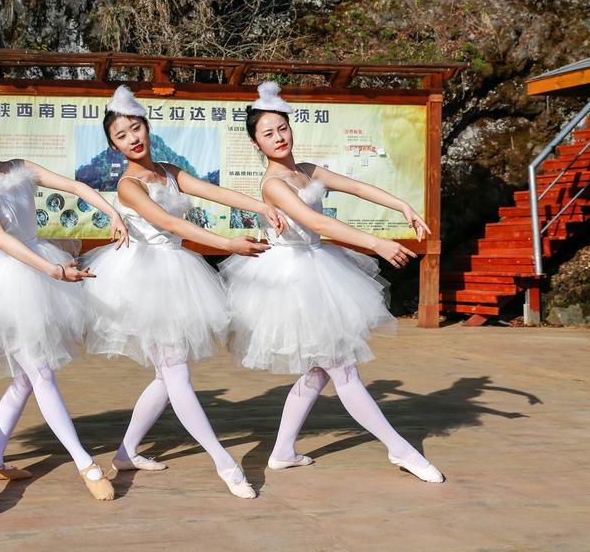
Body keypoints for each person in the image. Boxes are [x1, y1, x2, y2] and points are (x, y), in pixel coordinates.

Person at [220, 82, 444, 483]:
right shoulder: (273, 184)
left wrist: (403, 206)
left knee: (320, 371)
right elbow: (315, 222)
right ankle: (400, 449)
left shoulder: (307, 170)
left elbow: (355, 186)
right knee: (342, 368)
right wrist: (376, 242)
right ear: (256, 143)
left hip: (318, 266)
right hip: (293, 280)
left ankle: (282, 452)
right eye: (268, 133)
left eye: (282, 128)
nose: (278, 137)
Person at [80, 85, 286, 499]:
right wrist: (226, 244)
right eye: (121, 136)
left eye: (136, 128)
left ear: (146, 126)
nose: (132, 138)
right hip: (144, 280)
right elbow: (170, 224)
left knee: (166, 375)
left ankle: (125, 453)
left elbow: (213, 191)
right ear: (113, 146)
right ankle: (225, 464)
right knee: (176, 372)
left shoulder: (169, 171)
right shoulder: (128, 185)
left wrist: (260, 206)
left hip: (175, 271)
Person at [0, 88, 127, 500]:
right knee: (40, 371)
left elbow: (73, 185)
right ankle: (85, 463)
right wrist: (53, 270)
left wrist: (111, 211)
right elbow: (1, 239)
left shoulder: (19, 167)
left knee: (27, 377)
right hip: (6, 281)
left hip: (37, 268)